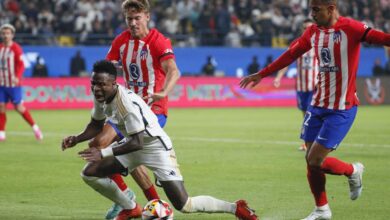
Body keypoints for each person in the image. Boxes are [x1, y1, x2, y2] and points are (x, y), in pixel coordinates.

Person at [239, 0, 390, 219]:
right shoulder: (312, 32)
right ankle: (322, 209)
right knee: (311, 161)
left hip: (341, 108)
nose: (312, 14)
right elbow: (290, 54)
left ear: (331, 9)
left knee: (315, 160)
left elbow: (383, 38)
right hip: (317, 104)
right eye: (310, 9)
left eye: (316, 10)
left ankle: (353, 170)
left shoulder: (352, 28)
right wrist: (263, 73)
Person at [61, 60, 258, 220]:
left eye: (101, 84)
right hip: (132, 145)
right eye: (93, 83)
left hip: (155, 147)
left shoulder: (125, 104)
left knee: (184, 205)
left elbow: (138, 142)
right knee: (89, 173)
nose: (96, 89)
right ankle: (131, 207)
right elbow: (96, 125)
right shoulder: (101, 95)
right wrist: (76, 139)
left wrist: (103, 152)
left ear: (114, 83)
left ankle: (235, 208)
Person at [91, 1, 181, 219]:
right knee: (102, 147)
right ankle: (145, 202)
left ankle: (131, 202)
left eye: (137, 18)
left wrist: (163, 92)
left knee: (107, 146)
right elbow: (107, 69)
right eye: (129, 19)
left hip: (153, 110)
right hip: (126, 108)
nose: (133, 23)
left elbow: (173, 71)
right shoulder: (121, 41)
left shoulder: (158, 41)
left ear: (147, 17)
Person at [273, 19, 318, 151]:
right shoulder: (297, 44)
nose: (307, 30)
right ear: (302, 29)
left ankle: (316, 142)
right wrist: (278, 77)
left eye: (310, 27)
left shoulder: (320, 44)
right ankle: (307, 142)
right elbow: (286, 61)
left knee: (311, 114)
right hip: (301, 86)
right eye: (305, 27)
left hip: (315, 86)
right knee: (305, 115)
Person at [0, 24, 43, 141]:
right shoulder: (0, 48)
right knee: (1, 107)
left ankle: (35, 128)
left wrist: (17, 77)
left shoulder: (16, 48)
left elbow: (21, 65)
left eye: (8, 33)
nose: (5, 35)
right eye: (3, 33)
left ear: (12, 35)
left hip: (14, 85)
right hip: (1, 84)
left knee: (19, 107)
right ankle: (2, 133)